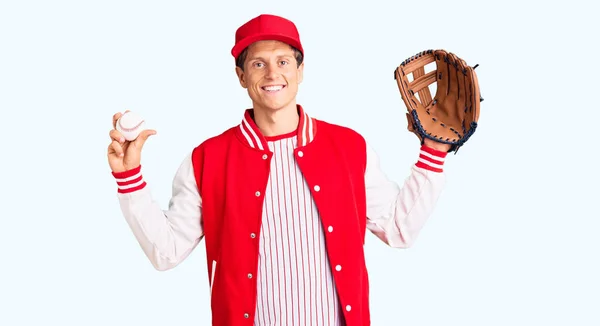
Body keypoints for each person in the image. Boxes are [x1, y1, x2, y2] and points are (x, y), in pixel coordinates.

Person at [107, 14, 451, 326]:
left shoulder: (349, 148)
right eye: (258, 63)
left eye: (283, 61)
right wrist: (129, 178)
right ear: (242, 76)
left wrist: (433, 152)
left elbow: (399, 229)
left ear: (300, 72)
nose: (273, 74)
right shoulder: (206, 159)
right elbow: (165, 253)